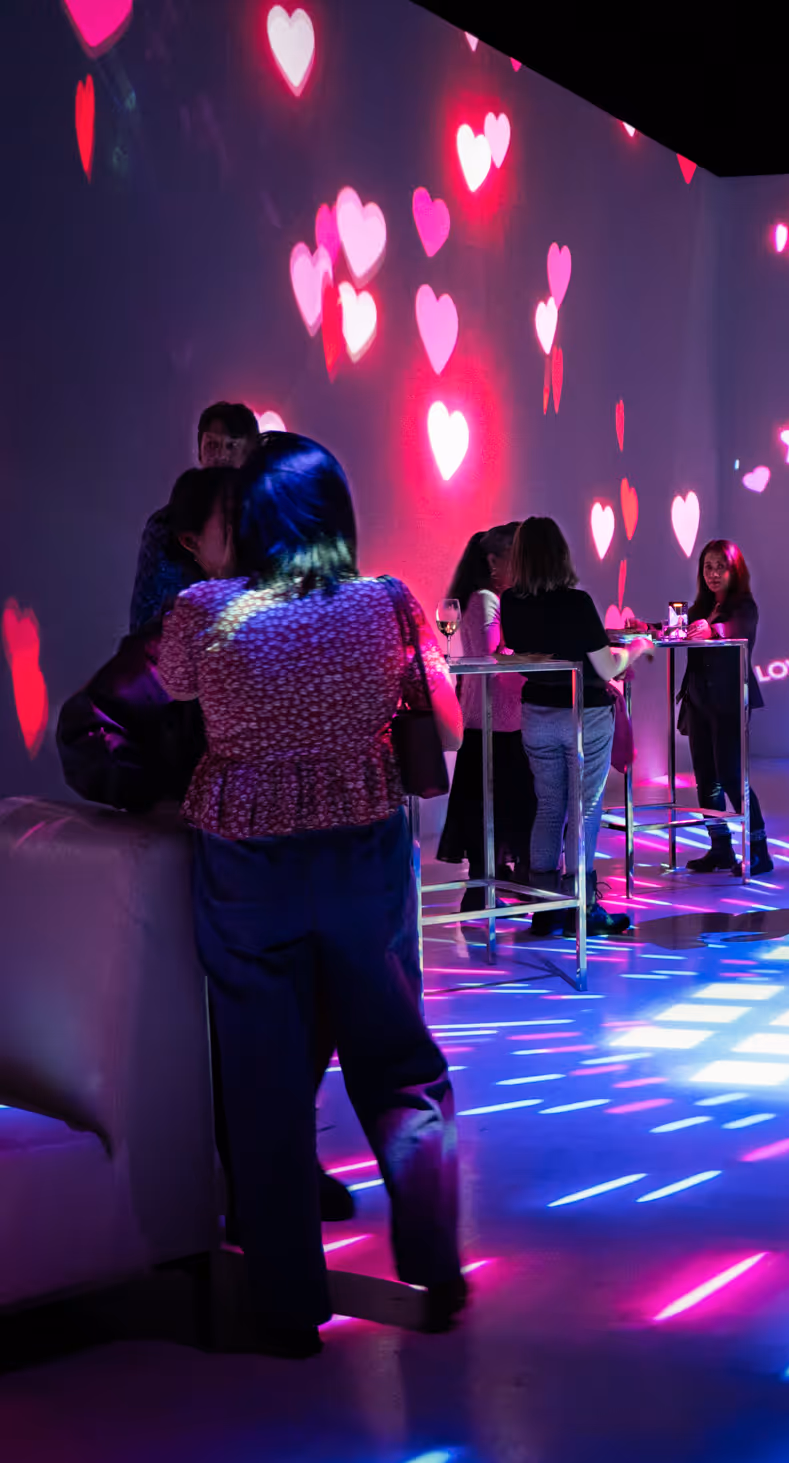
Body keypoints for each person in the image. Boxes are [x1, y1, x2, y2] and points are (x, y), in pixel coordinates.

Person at [157, 433, 468, 1356]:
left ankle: (288, 1306)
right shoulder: (386, 605)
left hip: (245, 860)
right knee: (399, 1067)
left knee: (262, 1084)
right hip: (362, 851)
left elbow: (176, 696)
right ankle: (436, 1265)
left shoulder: (202, 611)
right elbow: (442, 721)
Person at [499, 516, 654, 938]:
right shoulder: (577, 602)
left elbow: (526, 653)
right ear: (561, 554)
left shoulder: (511, 602)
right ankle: (584, 908)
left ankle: (547, 911)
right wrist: (638, 647)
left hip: (537, 715)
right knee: (584, 810)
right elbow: (606, 667)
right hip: (584, 715)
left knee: (549, 807)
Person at [64, 466, 239, 814]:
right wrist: (164, 803)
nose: (259, 534)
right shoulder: (186, 630)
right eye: (237, 523)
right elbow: (87, 726)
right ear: (192, 542)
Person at [436, 524, 538, 912]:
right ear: (494, 562)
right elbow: (496, 661)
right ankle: (503, 888)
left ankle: (487, 888)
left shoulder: (481, 597)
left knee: (487, 805)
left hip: (487, 718)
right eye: (516, 557)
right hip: (498, 719)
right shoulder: (487, 599)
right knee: (509, 806)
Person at [677, 539, 772, 877]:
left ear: (735, 571)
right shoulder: (700, 607)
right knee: (705, 779)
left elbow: (735, 631)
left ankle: (759, 850)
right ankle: (720, 848)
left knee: (732, 776)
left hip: (729, 702)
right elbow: (684, 631)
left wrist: (711, 630)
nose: (713, 574)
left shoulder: (744, 606)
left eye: (720, 567)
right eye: (708, 567)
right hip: (699, 701)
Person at [131, 402, 261, 633]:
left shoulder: (269, 520)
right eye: (212, 445)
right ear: (200, 451)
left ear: (251, 455)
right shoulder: (166, 525)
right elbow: (147, 623)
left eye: (231, 446)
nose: (221, 455)